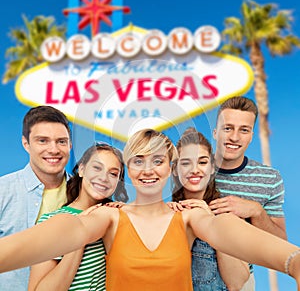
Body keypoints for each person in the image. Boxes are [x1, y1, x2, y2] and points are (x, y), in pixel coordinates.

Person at [0, 129, 300, 291]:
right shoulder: (111, 216)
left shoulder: (188, 217)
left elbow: (224, 229)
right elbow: (70, 228)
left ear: (170, 169)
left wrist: (292, 261)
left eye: (157, 161)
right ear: (127, 170)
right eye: (138, 160)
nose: (148, 169)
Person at [28, 143, 128, 291]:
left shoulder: (118, 219)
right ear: (81, 169)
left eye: (113, 174)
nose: (104, 177)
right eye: (97, 168)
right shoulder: (51, 222)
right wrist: (79, 236)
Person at [210, 96, 286, 288]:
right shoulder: (189, 171)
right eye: (228, 128)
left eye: (244, 130)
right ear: (215, 132)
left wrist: (256, 211)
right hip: (187, 277)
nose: (234, 137)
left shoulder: (269, 179)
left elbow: (280, 244)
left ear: (252, 135)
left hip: (240, 281)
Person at [0, 105, 72, 291]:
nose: (53, 149)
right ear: (26, 144)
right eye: (43, 141)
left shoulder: (86, 194)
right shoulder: (3, 191)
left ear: (70, 145)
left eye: (61, 141)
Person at [171, 127, 249, 291]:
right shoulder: (167, 212)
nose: (195, 170)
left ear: (212, 168)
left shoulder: (228, 214)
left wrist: (214, 224)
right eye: (186, 163)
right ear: (175, 170)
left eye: (202, 162)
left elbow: (236, 283)